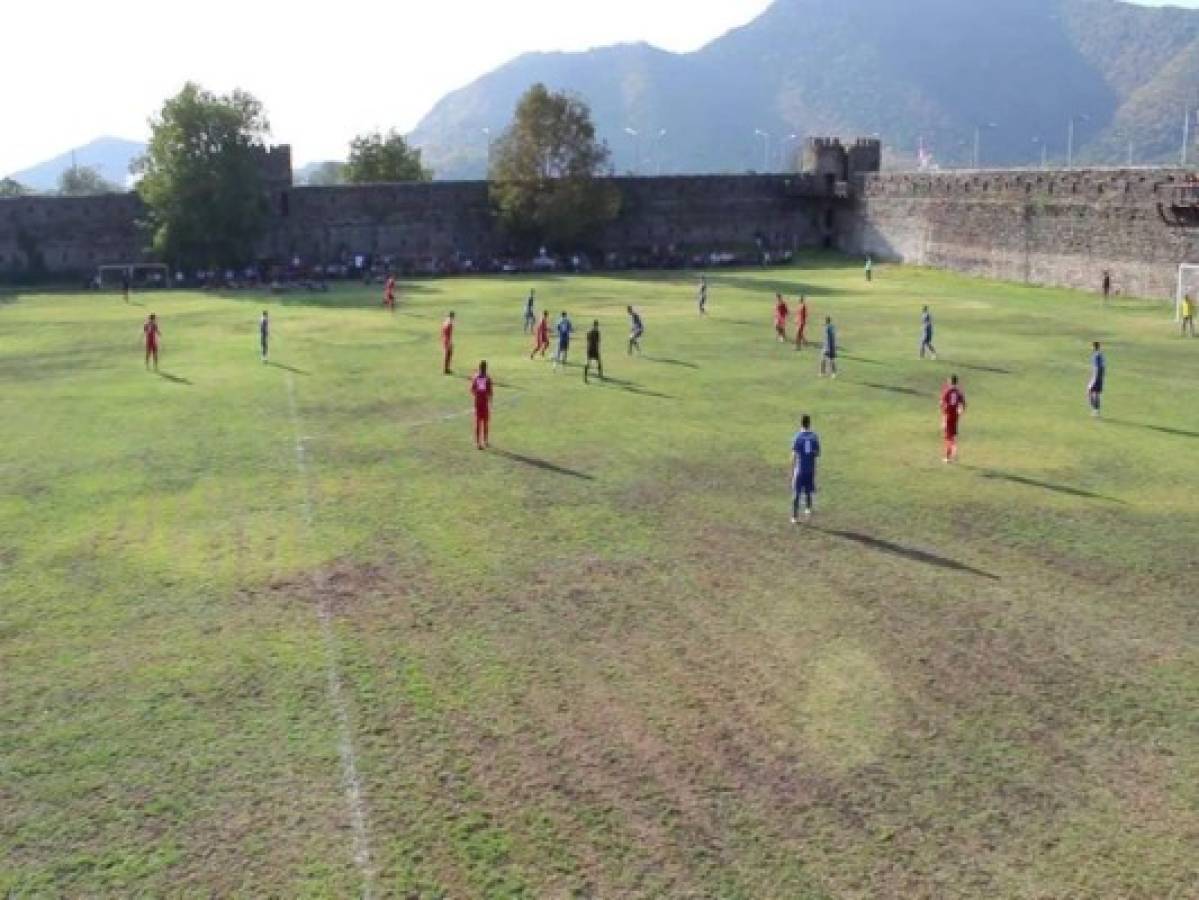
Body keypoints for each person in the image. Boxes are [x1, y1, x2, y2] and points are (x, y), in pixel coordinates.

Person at [790, 414, 822, 522]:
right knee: (808, 490)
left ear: (801, 423)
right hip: (810, 469)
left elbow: (794, 455)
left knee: (796, 492)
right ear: (809, 423)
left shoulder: (797, 437)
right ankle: (808, 509)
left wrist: (792, 469)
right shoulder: (814, 437)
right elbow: (818, 453)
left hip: (800, 469)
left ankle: (794, 517)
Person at [940, 375, 967, 463]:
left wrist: (943, 417)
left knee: (948, 437)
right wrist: (960, 411)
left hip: (948, 415)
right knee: (952, 436)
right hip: (955, 416)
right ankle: (950, 455)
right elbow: (963, 403)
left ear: (950, 381)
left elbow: (942, 403)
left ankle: (951, 454)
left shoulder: (947, 391)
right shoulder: (958, 392)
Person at [470, 360, 494, 450]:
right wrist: (490, 400)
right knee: (485, 422)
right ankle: (485, 441)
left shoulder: (476, 377)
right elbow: (490, 392)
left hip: (478, 402)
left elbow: (472, 390)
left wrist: (477, 395)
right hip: (484, 403)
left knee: (478, 422)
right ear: (486, 368)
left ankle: (478, 442)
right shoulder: (487, 378)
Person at [1088, 341, 1106, 417]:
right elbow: (1103, 367)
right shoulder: (1101, 355)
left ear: (1094, 347)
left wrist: (1094, 379)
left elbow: (1097, 368)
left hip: (1096, 376)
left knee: (1090, 391)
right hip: (1100, 376)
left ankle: (1095, 410)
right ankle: (1096, 411)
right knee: (1096, 393)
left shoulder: (1096, 356)